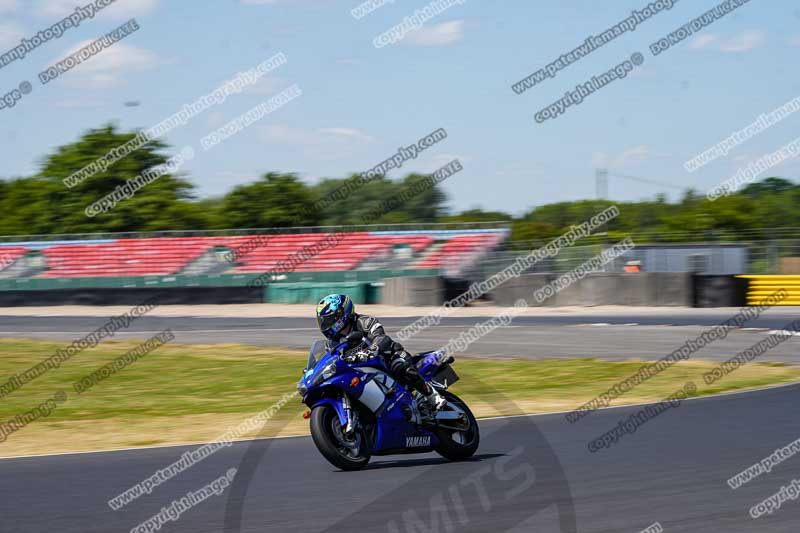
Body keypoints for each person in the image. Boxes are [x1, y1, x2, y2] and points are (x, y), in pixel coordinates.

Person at [315, 293, 446, 411]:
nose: (325, 325)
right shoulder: (332, 342)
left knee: (399, 365)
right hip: (360, 370)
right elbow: (330, 359)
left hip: (387, 357)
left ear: (341, 315)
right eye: (323, 321)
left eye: (328, 320)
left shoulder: (364, 322)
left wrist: (372, 349)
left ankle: (432, 395)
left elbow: (381, 338)